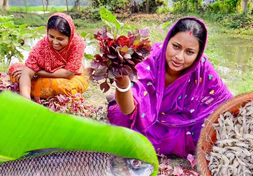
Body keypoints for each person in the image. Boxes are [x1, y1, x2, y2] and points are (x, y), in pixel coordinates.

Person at [107, 17, 233, 157]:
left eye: (189, 52)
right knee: (121, 117)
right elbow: (129, 109)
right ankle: (117, 95)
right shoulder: (149, 60)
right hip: (145, 117)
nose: (179, 57)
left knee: (208, 132)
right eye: (176, 46)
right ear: (167, 41)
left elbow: (225, 100)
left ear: (198, 54)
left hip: (180, 122)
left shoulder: (201, 68)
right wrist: (123, 85)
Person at [9, 12, 88, 99]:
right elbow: (27, 72)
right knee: (15, 69)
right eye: (51, 36)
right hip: (44, 73)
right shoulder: (43, 44)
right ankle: (35, 90)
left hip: (69, 77)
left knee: (65, 87)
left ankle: (35, 89)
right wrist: (26, 100)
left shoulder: (77, 43)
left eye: (60, 39)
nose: (55, 42)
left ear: (70, 37)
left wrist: (37, 72)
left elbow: (68, 73)